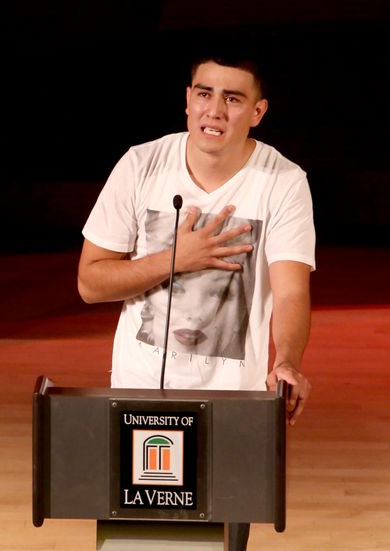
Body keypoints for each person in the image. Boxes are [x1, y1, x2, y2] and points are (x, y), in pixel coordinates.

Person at [77, 53, 315, 550]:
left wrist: (287, 360)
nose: (215, 110)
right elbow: (90, 282)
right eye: (204, 94)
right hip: (140, 397)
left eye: (233, 99)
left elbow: (291, 289)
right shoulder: (142, 164)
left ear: (257, 112)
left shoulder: (284, 181)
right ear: (187, 101)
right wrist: (175, 258)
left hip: (233, 402)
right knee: (138, 544)